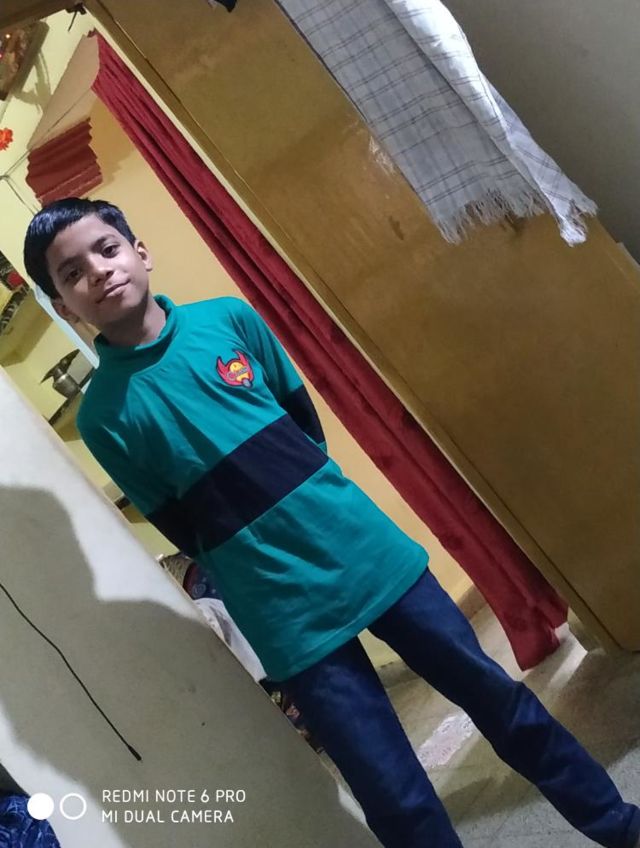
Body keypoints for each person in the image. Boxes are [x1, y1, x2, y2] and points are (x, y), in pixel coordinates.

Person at [23, 198, 640, 848]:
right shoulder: (104, 417)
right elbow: (183, 526)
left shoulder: (228, 319)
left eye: (107, 249)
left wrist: (306, 506)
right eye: (72, 273)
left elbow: (302, 429)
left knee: (502, 704)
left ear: (140, 251)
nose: (98, 271)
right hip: (284, 616)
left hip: (370, 557)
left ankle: (619, 826)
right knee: (395, 797)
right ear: (64, 306)